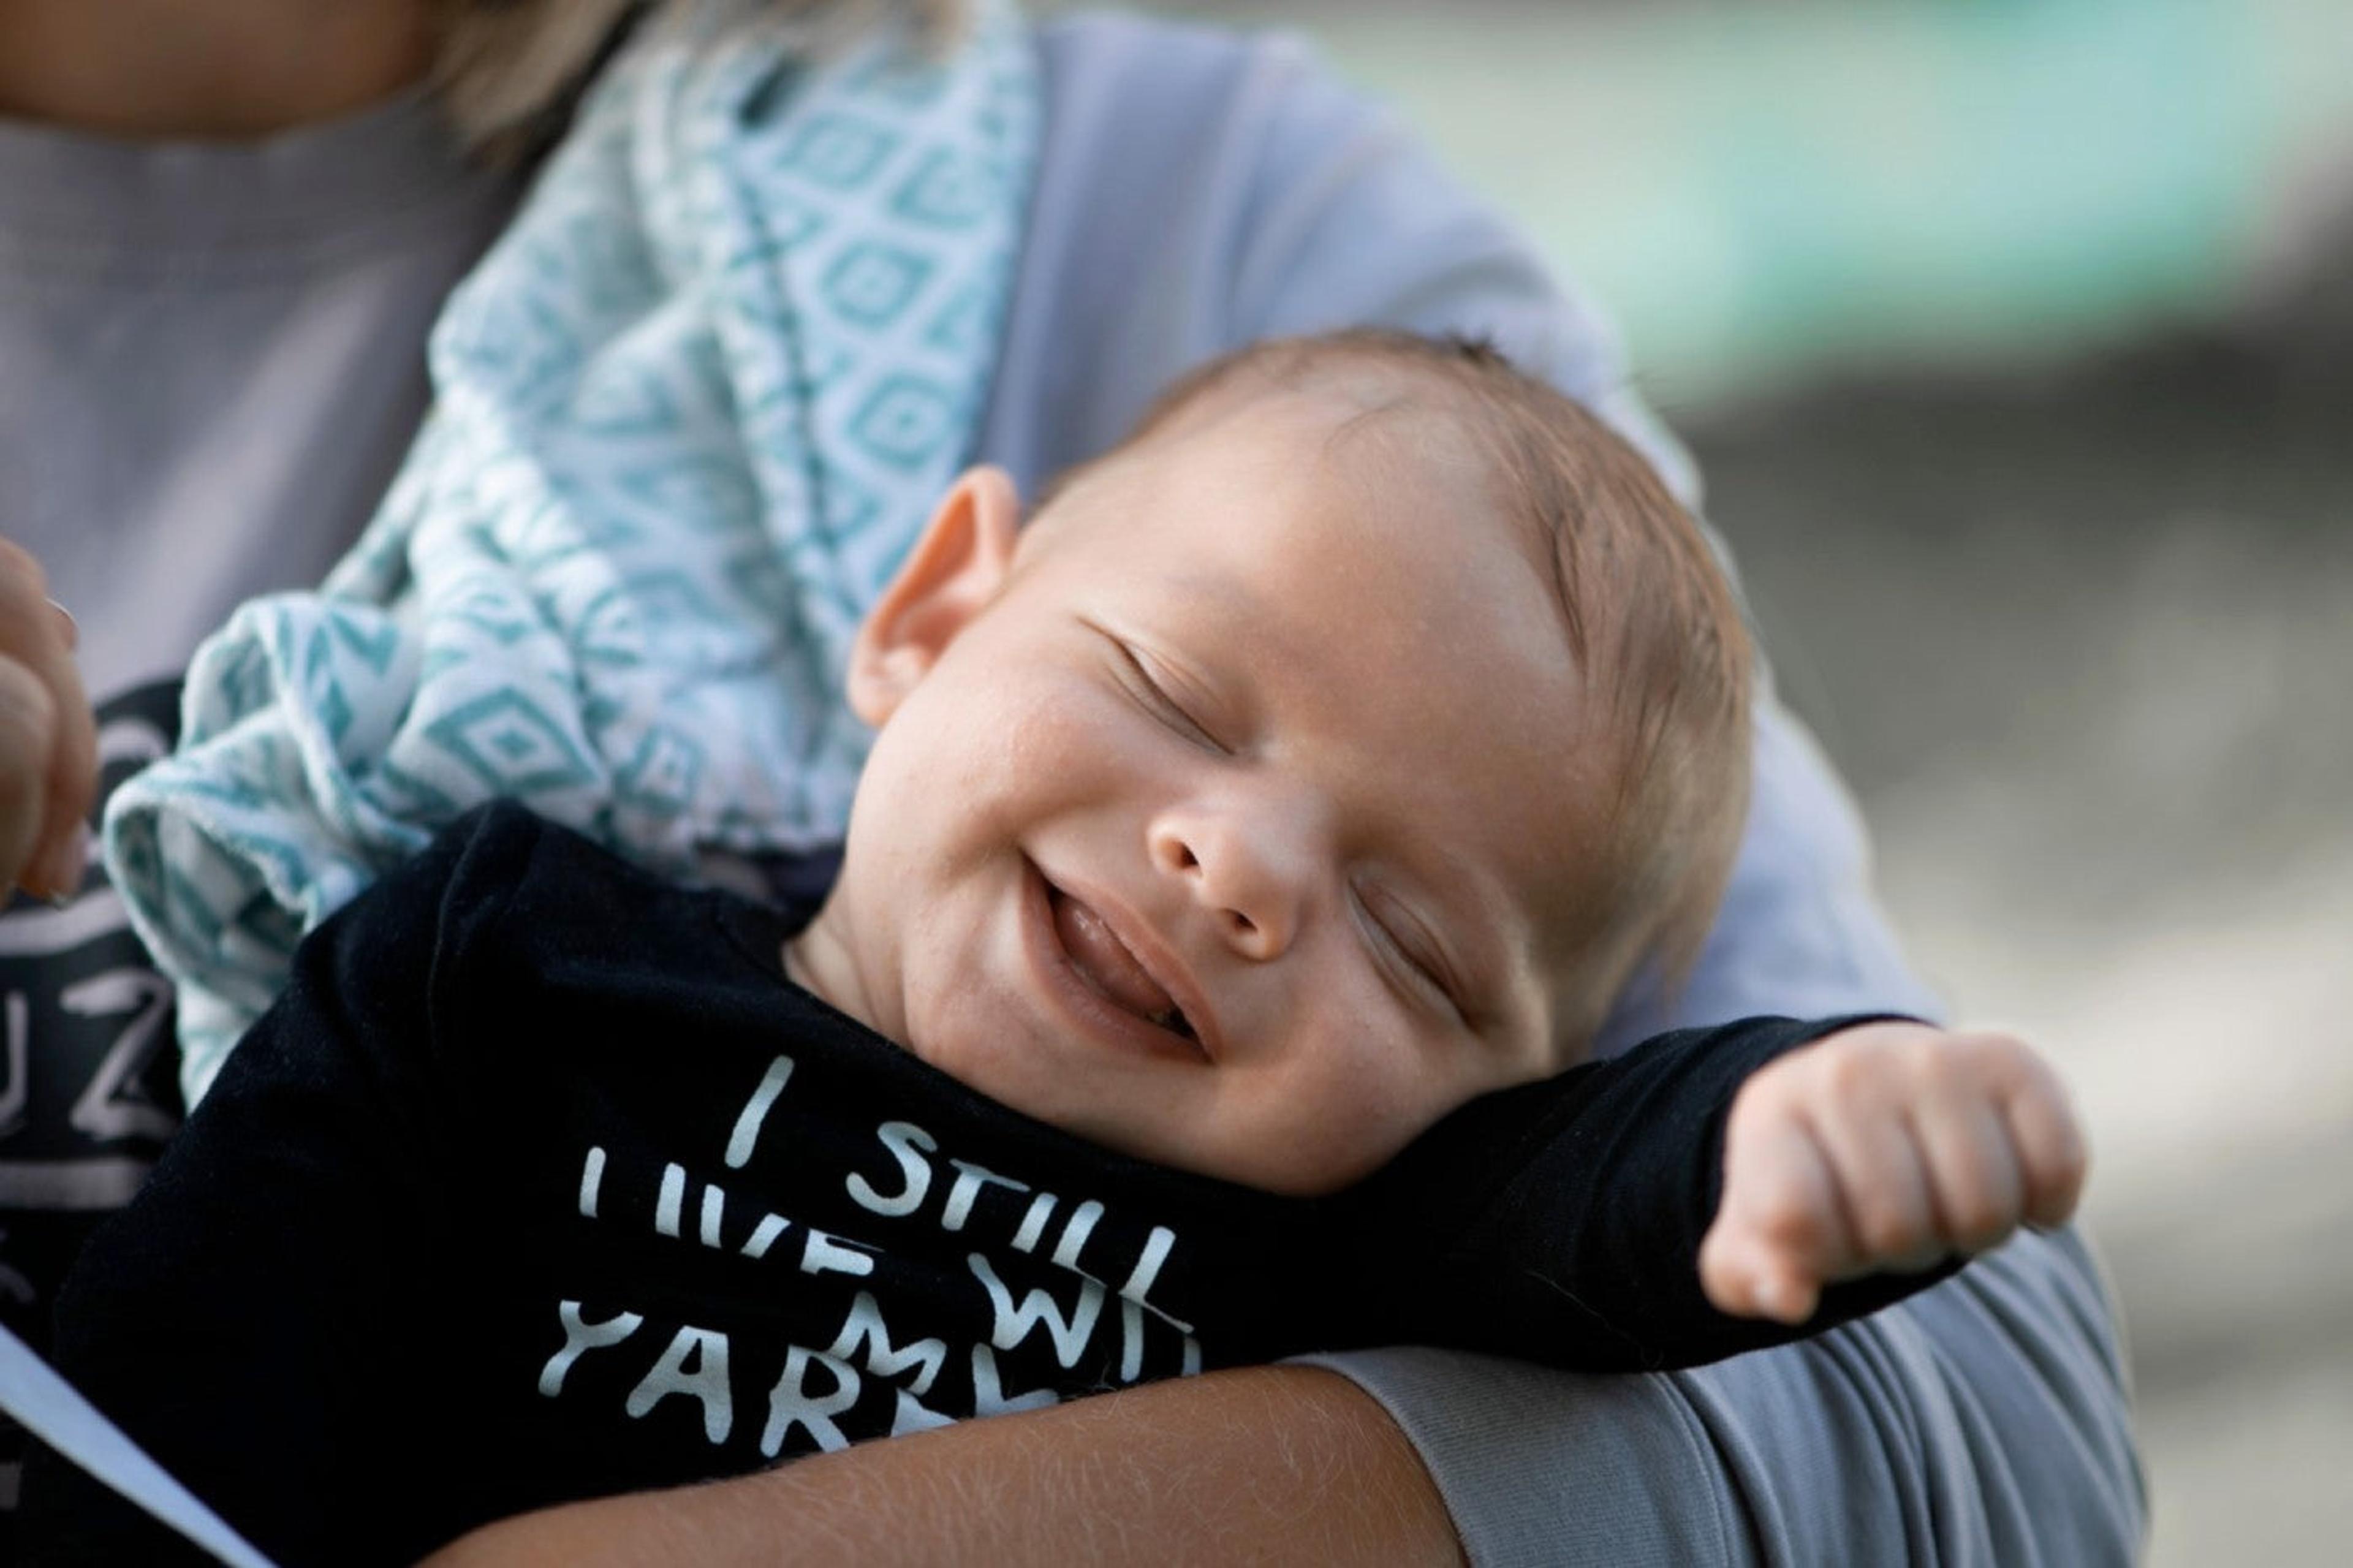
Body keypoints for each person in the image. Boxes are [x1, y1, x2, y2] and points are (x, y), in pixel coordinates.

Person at [0, 2, 2142, 1561]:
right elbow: (158, 1432)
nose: (1240, 868)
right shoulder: (510, 971)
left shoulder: (1335, 1212)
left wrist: (1804, 1121)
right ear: (930, 608)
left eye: (1412, 944)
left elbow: (1689, 1253)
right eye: (1176, 700)